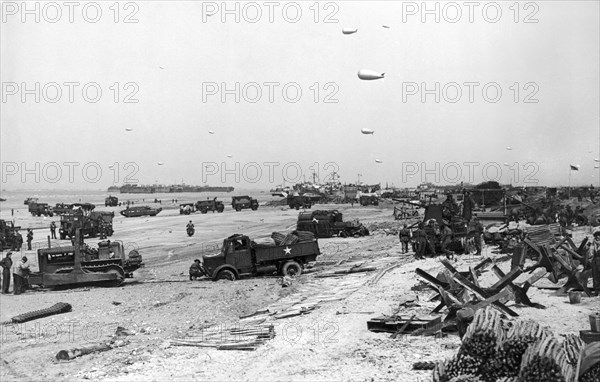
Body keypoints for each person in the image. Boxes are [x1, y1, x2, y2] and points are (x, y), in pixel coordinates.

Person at [587, 231, 600, 295]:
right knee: (595, 276)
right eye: (596, 235)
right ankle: (596, 290)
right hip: (595, 261)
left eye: (599, 235)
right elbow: (590, 252)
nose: (598, 237)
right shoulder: (592, 244)